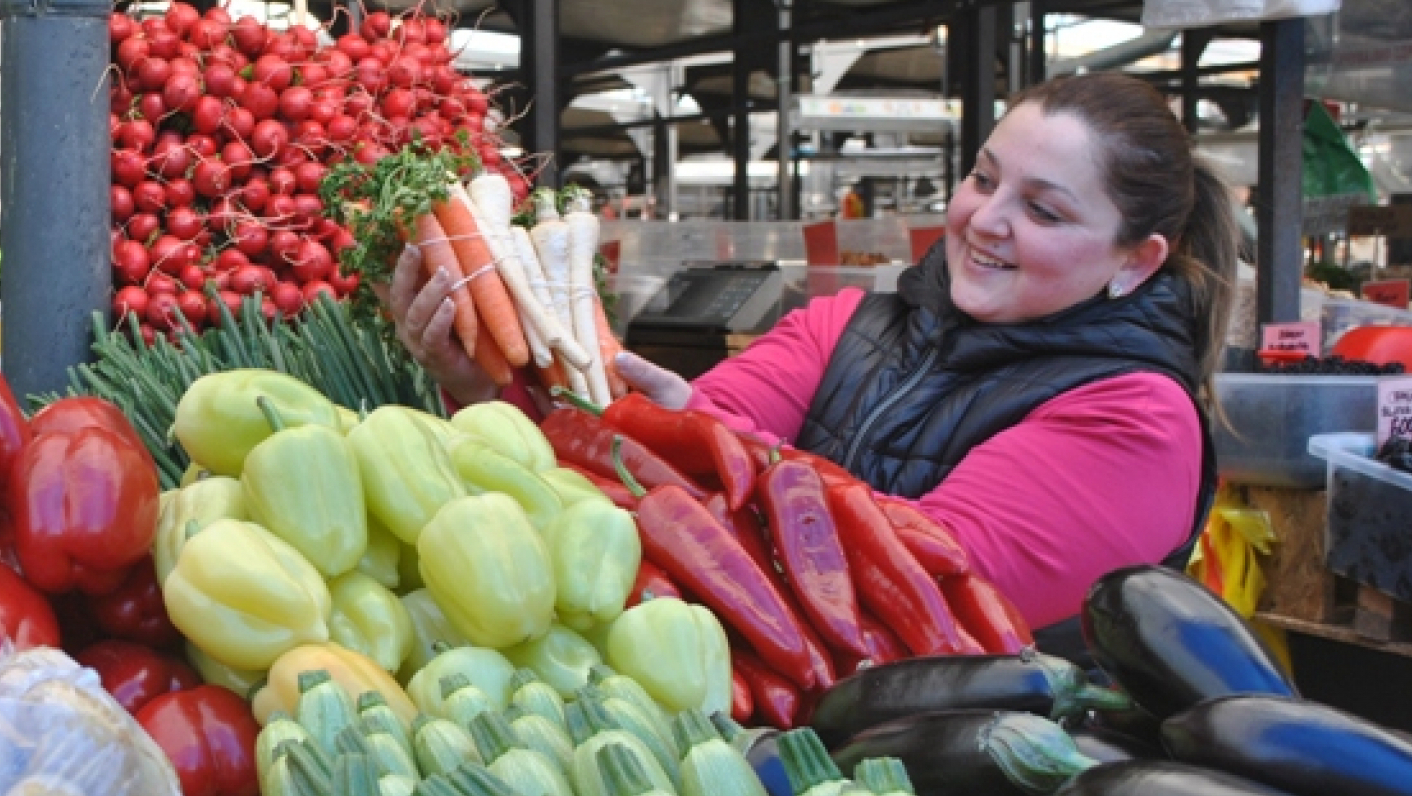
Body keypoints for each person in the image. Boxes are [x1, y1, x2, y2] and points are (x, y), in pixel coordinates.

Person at [388, 72, 1238, 639]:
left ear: (1138, 260)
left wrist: (701, 439)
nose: (985, 218)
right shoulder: (848, 324)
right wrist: (487, 386)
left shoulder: (1139, 417)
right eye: (984, 179)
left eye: (1043, 211)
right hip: (804, 742)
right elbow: (629, 474)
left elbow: (926, 582)